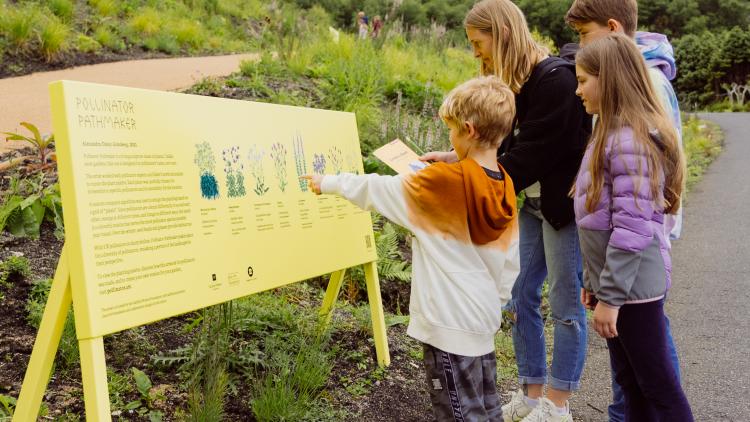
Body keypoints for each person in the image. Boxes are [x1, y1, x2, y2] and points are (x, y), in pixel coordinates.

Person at [305, 76, 520, 421]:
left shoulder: (442, 183)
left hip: (448, 326)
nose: (449, 137)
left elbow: (379, 190)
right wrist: (493, 306)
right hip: (481, 322)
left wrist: (328, 182)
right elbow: (511, 262)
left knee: (457, 415)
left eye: (451, 129)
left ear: (468, 129)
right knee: (486, 410)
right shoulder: (504, 184)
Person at [422, 1, 591, 420]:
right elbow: (505, 148)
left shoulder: (555, 82)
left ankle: (558, 404)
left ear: (501, 33)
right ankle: (532, 393)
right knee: (520, 295)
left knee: (566, 303)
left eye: (479, 43)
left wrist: (464, 178)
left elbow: (528, 156)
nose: (477, 53)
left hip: (561, 208)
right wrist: (455, 157)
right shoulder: (519, 82)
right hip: (532, 203)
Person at [564, 2, 685, 420]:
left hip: (634, 290)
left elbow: (630, 229)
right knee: (632, 384)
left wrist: (611, 297)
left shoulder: (630, 140)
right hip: (619, 287)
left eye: (583, 81)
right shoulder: (610, 133)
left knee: (658, 388)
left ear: (609, 81)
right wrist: (595, 283)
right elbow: (603, 217)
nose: (577, 90)